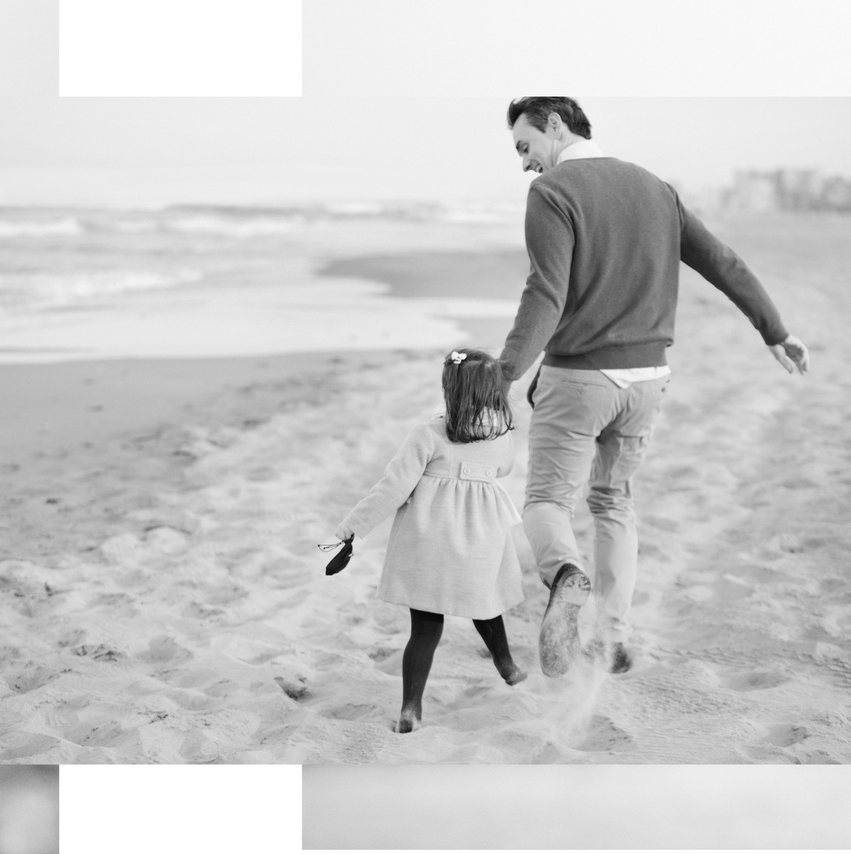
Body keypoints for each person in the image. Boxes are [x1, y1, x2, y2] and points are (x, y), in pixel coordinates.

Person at [497, 96, 809, 678]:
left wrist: (504, 376)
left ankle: (565, 575)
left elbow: (546, 293)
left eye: (524, 146)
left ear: (556, 126)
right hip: (648, 380)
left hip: (580, 380)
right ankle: (613, 637)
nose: (524, 164)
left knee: (546, 501)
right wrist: (776, 330)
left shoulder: (554, 193)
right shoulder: (655, 187)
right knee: (614, 502)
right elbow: (721, 260)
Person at [329, 348, 529, 734]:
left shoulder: (428, 434)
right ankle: (506, 663)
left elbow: (392, 488)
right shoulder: (504, 437)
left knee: (424, 629)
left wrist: (350, 532)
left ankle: (411, 708)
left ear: (449, 388)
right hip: (479, 539)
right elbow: (503, 471)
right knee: (485, 605)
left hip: (430, 544)